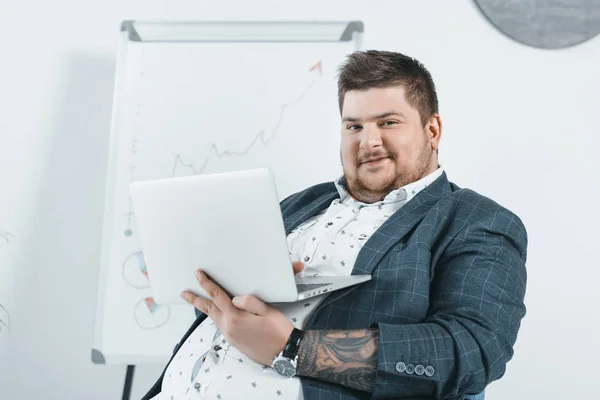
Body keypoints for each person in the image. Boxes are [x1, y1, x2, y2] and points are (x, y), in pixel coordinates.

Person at [142, 50, 527, 400]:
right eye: (353, 126)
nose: (368, 141)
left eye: (388, 122)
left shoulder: (475, 221)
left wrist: (293, 347)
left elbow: (472, 350)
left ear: (432, 130)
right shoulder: (297, 204)